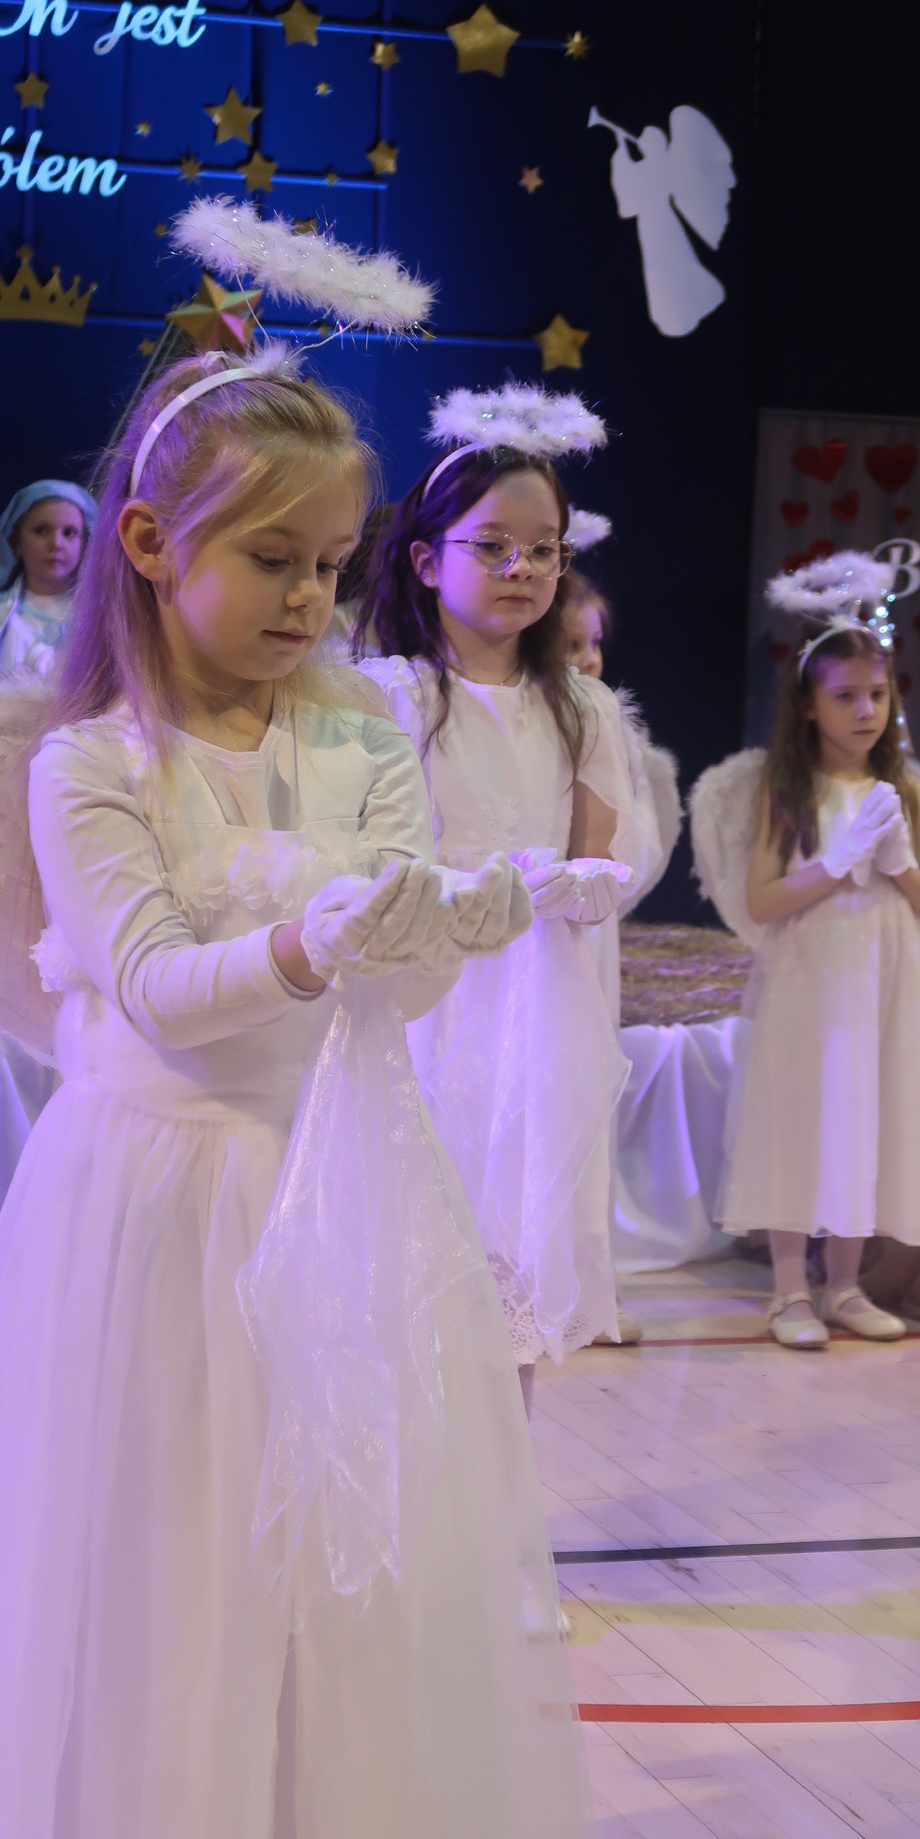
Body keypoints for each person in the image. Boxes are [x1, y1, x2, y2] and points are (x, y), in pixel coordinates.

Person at [0, 352, 601, 1839]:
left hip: (340, 1193)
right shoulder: (88, 761)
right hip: (161, 1205)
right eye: (274, 559)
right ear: (154, 545)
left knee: (333, 1577)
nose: (311, 597)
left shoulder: (361, 730)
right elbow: (159, 985)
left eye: (333, 563)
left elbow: (398, 969)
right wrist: (316, 941)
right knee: (165, 1565)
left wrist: (461, 921)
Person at [357, 418, 638, 1408]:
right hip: (425, 995)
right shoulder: (387, 696)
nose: (521, 568)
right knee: (414, 1233)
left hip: (536, 1004)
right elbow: (368, 860)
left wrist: (581, 885)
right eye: (492, 545)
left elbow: (596, 856)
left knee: (515, 1235)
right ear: (426, 560)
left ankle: (503, 1479)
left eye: (542, 549)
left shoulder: (582, 709)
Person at [721, 623, 920, 1347]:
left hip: (885, 978)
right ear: (808, 705)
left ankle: (844, 1285)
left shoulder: (904, 790)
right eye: (846, 696)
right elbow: (762, 901)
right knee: (800, 1114)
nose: (865, 710)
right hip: (810, 976)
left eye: (877, 694)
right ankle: (790, 1288)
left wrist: (899, 865)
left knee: (864, 1114)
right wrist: (836, 861)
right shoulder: (788, 788)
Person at [562, 572, 682, 1344]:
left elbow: (635, 849)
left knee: (586, 1100)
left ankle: (588, 1284)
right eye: (571, 644)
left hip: (587, 935)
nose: (589, 660)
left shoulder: (608, 728)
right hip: (528, 924)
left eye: (595, 644)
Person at [0, 478, 97, 691]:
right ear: (16, 541)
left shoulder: (94, 618)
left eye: (69, 533)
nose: (56, 544)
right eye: (41, 531)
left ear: (84, 543)